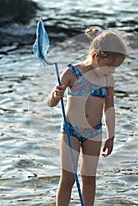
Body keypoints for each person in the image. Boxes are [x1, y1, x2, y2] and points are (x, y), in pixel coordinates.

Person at [46, 28, 128, 206]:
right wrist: (55, 95)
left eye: (115, 68)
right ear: (96, 56)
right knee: (68, 178)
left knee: (89, 178)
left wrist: (111, 135)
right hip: (71, 131)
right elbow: (50, 103)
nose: (112, 72)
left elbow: (109, 108)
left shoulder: (107, 80)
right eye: (110, 67)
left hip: (94, 133)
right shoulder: (72, 73)